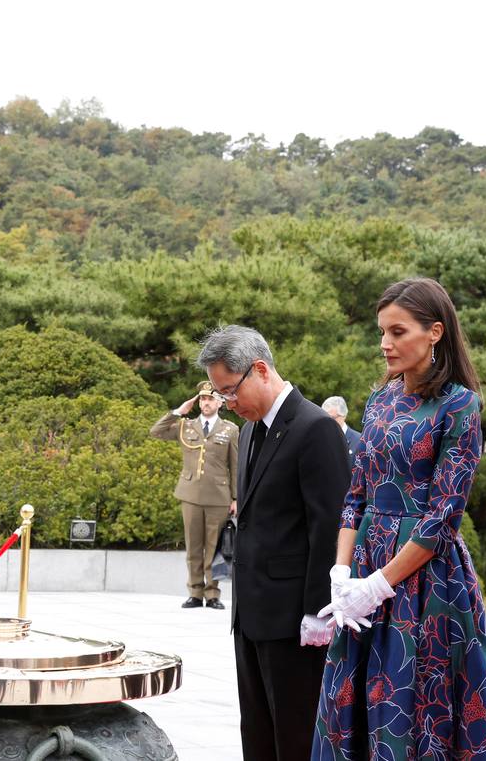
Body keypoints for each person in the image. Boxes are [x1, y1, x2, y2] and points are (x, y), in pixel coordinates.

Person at [313, 278, 486, 760]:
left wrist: (378, 585)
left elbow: (442, 518)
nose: (385, 344)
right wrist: (342, 573)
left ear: (434, 332)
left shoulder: (460, 405)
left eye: (397, 332)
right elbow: (355, 495)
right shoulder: (380, 400)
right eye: (381, 332)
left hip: (426, 581)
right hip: (364, 569)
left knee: (414, 706)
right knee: (348, 705)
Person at [196, 325, 348, 761]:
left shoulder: (314, 427)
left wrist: (317, 611)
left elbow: (330, 526)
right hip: (252, 615)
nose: (228, 402)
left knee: (296, 736)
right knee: (258, 734)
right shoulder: (249, 431)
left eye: (230, 390)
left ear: (259, 370)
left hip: (295, 621)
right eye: (221, 394)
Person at [149, 380, 239, 610]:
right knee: (193, 546)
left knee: (213, 547)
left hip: (218, 497)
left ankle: (213, 594)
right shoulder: (185, 426)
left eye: (210, 399)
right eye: (202, 399)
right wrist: (178, 411)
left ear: (220, 402)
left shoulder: (230, 430)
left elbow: (235, 466)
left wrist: (236, 498)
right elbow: (156, 431)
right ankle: (195, 592)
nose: (205, 402)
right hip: (190, 494)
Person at [320, 396, 360, 470]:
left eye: (332, 418)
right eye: (324, 418)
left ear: (343, 416)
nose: (327, 422)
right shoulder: (318, 439)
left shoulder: (358, 441)